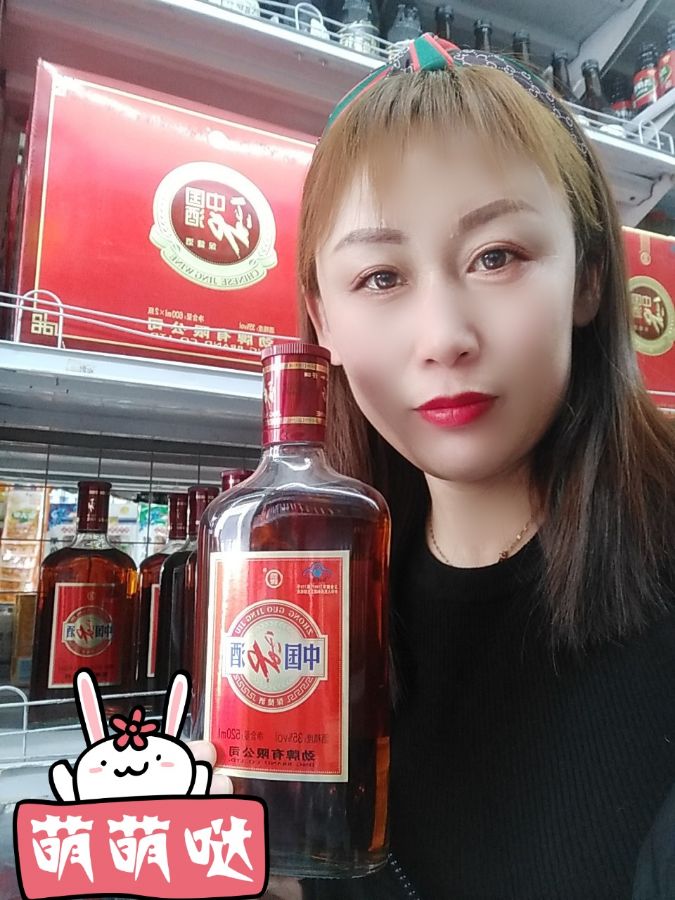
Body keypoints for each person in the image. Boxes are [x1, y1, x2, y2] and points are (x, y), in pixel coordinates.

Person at [193, 34, 675, 899]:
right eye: (380, 277)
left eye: (496, 257)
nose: (443, 337)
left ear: (588, 277)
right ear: (323, 323)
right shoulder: (311, 608)